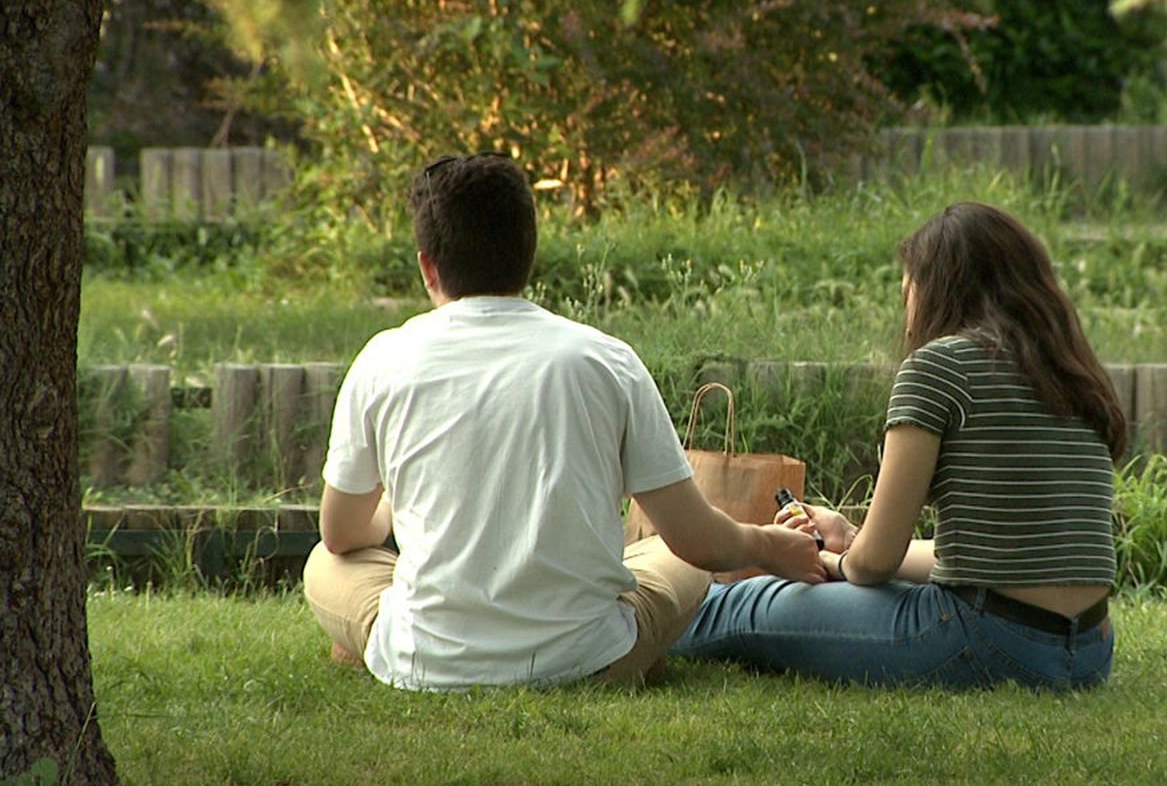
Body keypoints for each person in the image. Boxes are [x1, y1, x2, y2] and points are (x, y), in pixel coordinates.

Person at [302, 153, 822, 690]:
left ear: (426, 265)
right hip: (588, 659)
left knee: (325, 564)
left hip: (424, 658)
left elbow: (340, 535)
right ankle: (636, 654)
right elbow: (698, 542)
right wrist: (766, 544)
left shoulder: (383, 359)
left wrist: (390, 508)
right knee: (673, 558)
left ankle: (375, 640)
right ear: (528, 254)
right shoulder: (604, 359)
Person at [669, 202, 1127, 689]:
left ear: (934, 290)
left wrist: (831, 562)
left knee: (739, 603)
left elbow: (874, 566)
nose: (906, 316)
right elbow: (986, 565)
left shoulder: (940, 367)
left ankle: (616, 630)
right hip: (1088, 652)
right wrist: (849, 536)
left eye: (906, 291)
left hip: (989, 641)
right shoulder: (1070, 376)